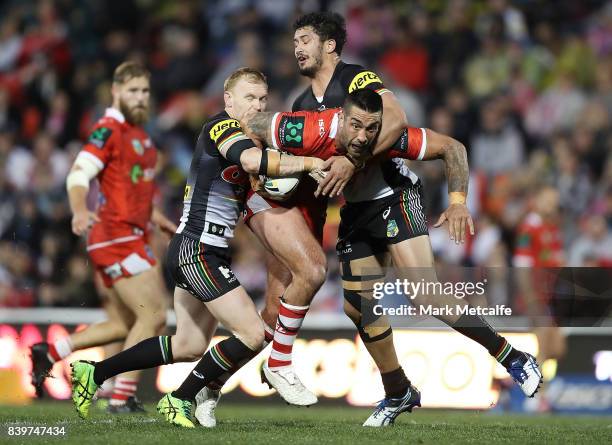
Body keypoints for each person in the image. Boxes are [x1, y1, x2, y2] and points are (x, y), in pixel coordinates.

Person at [243, 88, 543, 427]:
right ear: (341, 117)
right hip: (357, 213)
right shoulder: (309, 129)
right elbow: (253, 123)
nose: (362, 136)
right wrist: (254, 158)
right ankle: (398, 390)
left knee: (423, 291)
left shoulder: (391, 140)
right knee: (358, 307)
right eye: (355, 125)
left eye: (371, 128)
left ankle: (513, 357)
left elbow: (453, 148)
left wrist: (458, 202)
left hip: (397, 198)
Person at [69, 67, 325, 428]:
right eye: (249, 97)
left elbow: (255, 172)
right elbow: (251, 163)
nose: (257, 105)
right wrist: (308, 162)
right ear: (228, 100)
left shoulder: (253, 139)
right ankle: (181, 400)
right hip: (196, 251)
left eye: (263, 99)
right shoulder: (221, 127)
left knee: (188, 345)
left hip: (201, 250)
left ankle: (94, 373)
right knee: (252, 334)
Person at [31, 61, 176, 412]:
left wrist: (156, 218)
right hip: (114, 236)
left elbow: (132, 189)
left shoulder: (140, 135)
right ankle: (121, 397)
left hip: (133, 233)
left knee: (125, 322)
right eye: (133, 90)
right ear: (116, 91)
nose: (140, 97)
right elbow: (79, 174)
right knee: (154, 316)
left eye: (144, 91)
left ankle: (51, 351)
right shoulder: (108, 129)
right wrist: (79, 209)